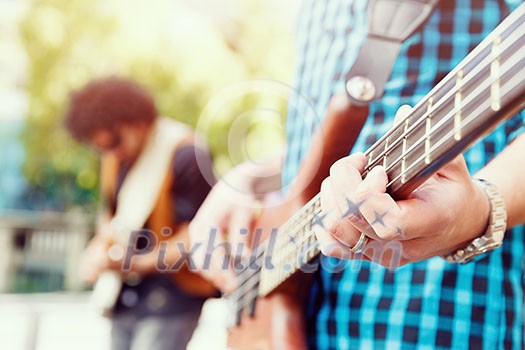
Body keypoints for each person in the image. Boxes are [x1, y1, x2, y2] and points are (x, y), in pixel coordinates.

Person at [190, 0, 524, 349]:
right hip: (312, 310)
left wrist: (481, 208)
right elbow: (339, 134)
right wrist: (253, 177)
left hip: (430, 312)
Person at [65, 77, 216, 350]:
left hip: (172, 298)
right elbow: (110, 218)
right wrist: (99, 252)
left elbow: (200, 235)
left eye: (114, 142)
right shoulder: (114, 159)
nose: (112, 152)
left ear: (136, 121)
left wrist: (135, 262)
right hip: (124, 296)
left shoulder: (185, 153)